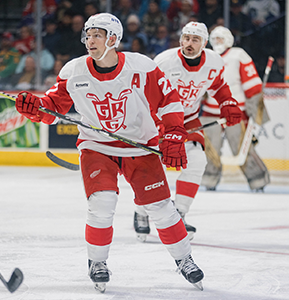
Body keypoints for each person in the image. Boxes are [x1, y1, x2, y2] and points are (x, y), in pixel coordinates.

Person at [14, 13, 204, 293]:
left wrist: (175, 133)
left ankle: (184, 258)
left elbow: (168, 101)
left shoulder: (142, 67)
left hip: (140, 147)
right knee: (102, 203)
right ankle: (97, 262)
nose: (89, 40)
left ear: (113, 39)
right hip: (96, 147)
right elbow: (53, 107)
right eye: (87, 35)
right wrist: (36, 108)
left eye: (97, 35)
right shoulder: (74, 70)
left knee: (161, 209)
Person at [133, 21, 242, 241]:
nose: (189, 43)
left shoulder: (213, 61)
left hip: (188, 118)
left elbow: (218, 85)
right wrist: (163, 129)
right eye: (186, 38)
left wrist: (227, 102)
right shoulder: (164, 62)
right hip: (158, 119)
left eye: (195, 39)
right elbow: (148, 98)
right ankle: (142, 211)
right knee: (154, 167)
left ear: (204, 43)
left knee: (197, 161)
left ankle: (179, 213)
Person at [200, 26, 270, 191]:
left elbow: (252, 85)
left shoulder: (239, 55)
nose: (217, 42)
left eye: (220, 39)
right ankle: (210, 179)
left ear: (229, 40)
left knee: (241, 147)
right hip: (211, 112)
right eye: (214, 39)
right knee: (210, 148)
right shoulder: (206, 57)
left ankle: (258, 180)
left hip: (235, 111)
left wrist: (257, 113)